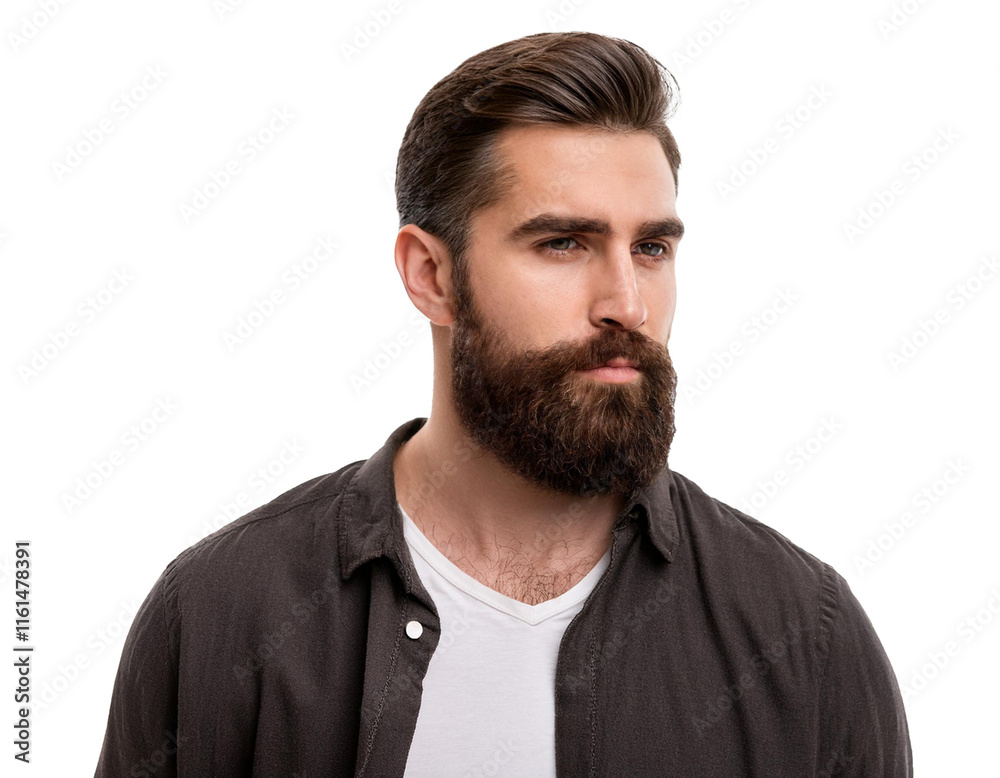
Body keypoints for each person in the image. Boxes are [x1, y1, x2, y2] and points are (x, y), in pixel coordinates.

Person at [95, 31, 912, 777]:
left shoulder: (807, 633)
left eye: (652, 248)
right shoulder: (218, 614)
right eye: (564, 243)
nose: (627, 302)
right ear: (431, 276)